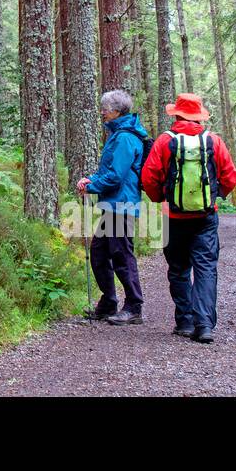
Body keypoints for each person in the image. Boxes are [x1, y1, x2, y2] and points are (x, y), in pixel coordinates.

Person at [140, 93, 236, 344]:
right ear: (198, 116)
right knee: (206, 269)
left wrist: (160, 200)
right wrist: (216, 196)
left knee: (178, 269)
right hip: (205, 216)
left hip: (172, 216)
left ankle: (184, 321)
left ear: (177, 114)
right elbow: (230, 177)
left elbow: (149, 178)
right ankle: (204, 324)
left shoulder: (164, 141)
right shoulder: (214, 141)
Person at [76, 90, 149, 326]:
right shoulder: (117, 135)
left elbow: (116, 176)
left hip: (123, 204)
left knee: (121, 255)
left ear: (117, 111)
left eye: (105, 109)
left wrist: (93, 186)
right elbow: (109, 170)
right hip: (112, 204)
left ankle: (134, 306)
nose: (102, 113)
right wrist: (91, 180)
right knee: (98, 254)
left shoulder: (126, 137)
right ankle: (109, 302)